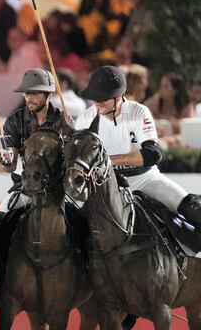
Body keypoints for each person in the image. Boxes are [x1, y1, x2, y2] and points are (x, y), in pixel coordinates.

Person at [0, 68, 73, 309]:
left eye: (34, 93)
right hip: (25, 189)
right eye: (26, 93)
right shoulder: (15, 120)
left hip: (57, 190)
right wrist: (7, 160)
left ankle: (94, 281)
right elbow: (10, 167)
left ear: (47, 94)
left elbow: (72, 160)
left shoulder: (64, 121)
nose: (28, 97)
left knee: (88, 225)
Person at [75, 65, 201, 226]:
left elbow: (152, 154)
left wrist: (110, 160)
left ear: (118, 96)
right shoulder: (84, 119)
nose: (97, 102)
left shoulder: (139, 111)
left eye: (103, 98)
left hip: (145, 179)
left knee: (192, 207)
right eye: (95, 97)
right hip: (103, 185)